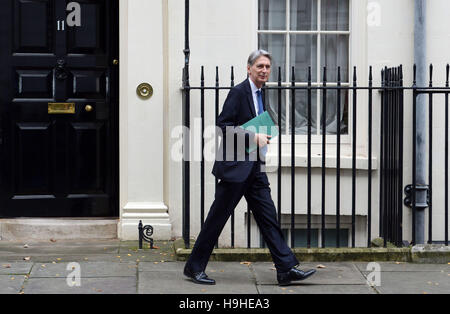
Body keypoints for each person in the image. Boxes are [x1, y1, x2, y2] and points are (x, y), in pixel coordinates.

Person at [183, 50, 316, 286]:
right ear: (249, 68)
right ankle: (194, 268)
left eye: (267, 67)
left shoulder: (261, 93)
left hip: (255, 168)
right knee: (217, 218)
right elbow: (223, 126)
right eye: (259, 66)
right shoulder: (238, 92)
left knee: (268, 218)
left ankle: (285, 268)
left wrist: (264, 135)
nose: (264, 70)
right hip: (236, 168)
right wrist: (253, 138)